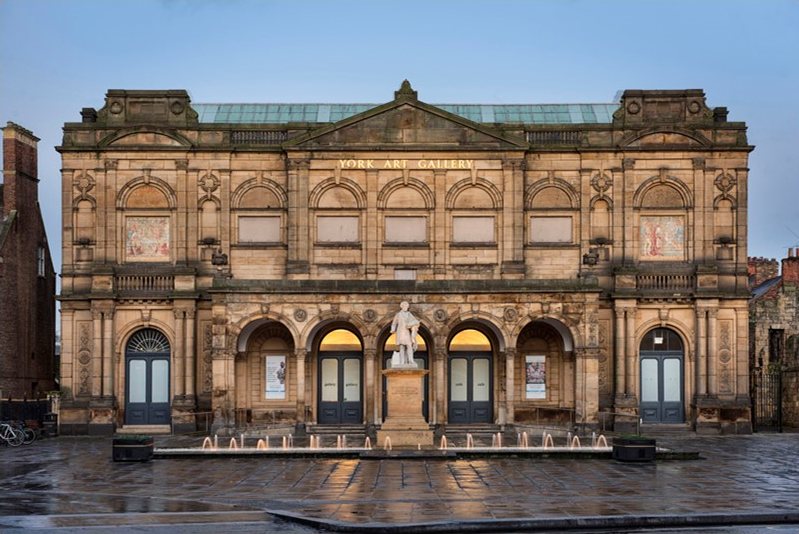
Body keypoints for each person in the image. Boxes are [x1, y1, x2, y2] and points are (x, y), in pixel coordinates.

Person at [390, 301, 420, 367]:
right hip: (400, 331)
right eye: (405, 306)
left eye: (407, 306)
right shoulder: (398, 314)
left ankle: (411, 360)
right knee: (402, 346)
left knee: (409, 345)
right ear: (402, 306)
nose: (406, 307)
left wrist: (413, 324)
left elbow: (415, 321)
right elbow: (394, 323)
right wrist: (392, 329)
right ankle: (402, 362)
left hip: (406, 331)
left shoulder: (409, 314)